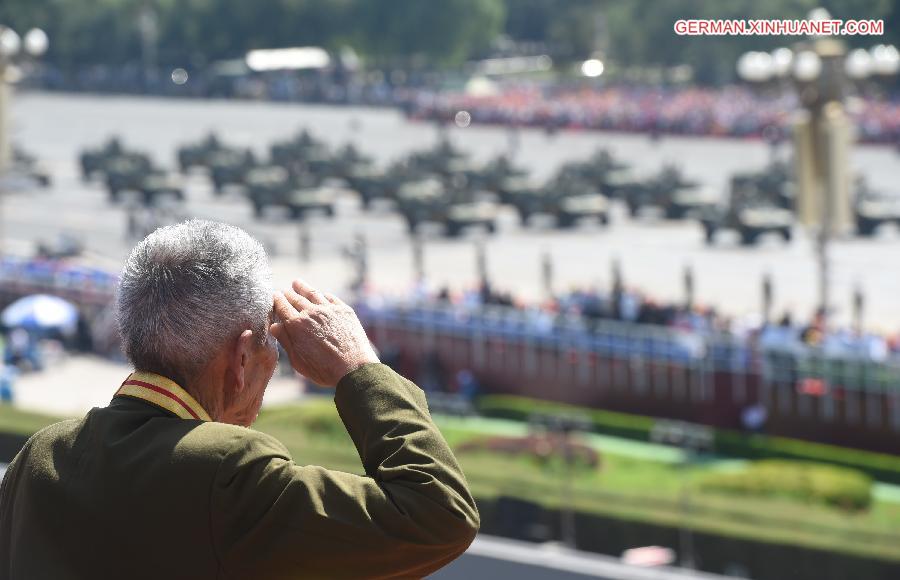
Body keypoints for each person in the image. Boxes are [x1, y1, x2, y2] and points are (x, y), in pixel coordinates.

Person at [0, 220, 479, 579]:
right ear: (242, 357)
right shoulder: (225, 469)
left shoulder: (41, 455)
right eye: (272, 348)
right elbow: (438, 516)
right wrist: (358, 368)